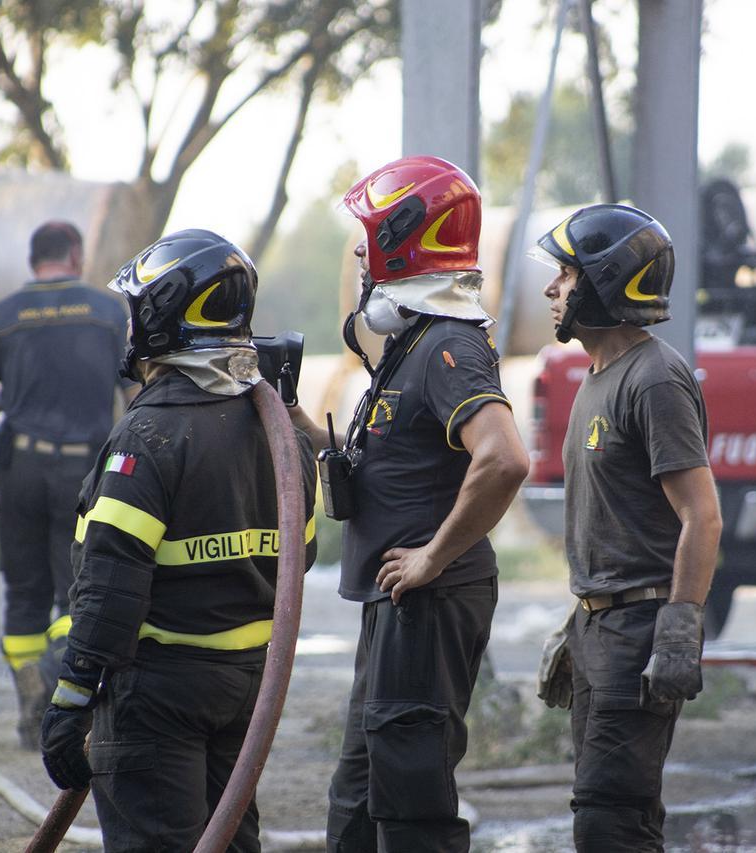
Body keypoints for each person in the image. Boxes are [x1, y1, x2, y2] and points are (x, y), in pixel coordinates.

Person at [37, 229, 318, 851]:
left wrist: (70, 701)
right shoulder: (282, 435)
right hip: (244, 686)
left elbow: (110, 585)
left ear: (162, 318)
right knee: (229, 840)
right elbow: (302, 554)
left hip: (156, 692)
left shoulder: (150, 437)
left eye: (137, 311)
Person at [288, 155, 530, 853]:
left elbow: (505, 458)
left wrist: (432, 555)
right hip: (395, 602)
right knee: (359, 799)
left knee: (411, 807)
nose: (361, 253)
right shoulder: (411, 344)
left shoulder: (447, 345)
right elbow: (385, 465)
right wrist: (295, 421)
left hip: (424, 599)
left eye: (368, 237)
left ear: (405, 238)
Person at [530, 204, 723, 852]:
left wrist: (679, 626)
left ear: (604, 282)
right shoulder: (597, 377)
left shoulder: (655, 378)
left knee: (611, 822)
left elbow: (703, 513)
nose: (552, 289)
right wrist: (581, 619)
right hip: (599, 633)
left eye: (565, 274)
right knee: (613, 817)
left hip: (637, 638)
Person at [0, 220, 131, 750]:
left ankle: (29, 704)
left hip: (21, 471)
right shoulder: (108, 313)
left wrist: (11, 400)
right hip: (83, 471)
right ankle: (64, 708)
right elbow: (136, 390)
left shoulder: (3, 316)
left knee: (24, 591)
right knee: (74, 588)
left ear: (35, 259)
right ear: (74, 255)